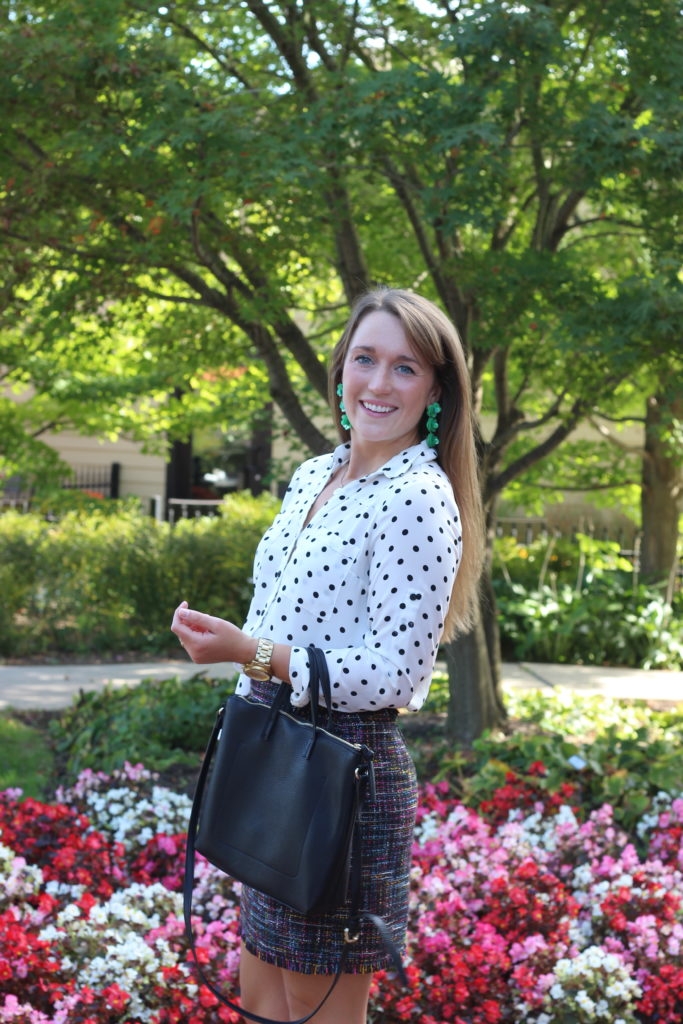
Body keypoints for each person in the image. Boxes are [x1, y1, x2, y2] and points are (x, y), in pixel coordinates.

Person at [172, 286, 484, 1024]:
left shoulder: (417, 495)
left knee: (312, 1003)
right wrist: (236, 655)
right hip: (275, 751)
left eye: (405, 368)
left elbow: (394, 677)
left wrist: (250, 650)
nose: (379, 383)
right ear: (340, 369)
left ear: (435, 388)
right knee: (258, 993)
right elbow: (278, 631)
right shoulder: (315, 474)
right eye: (365, 359)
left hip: (343, 780)